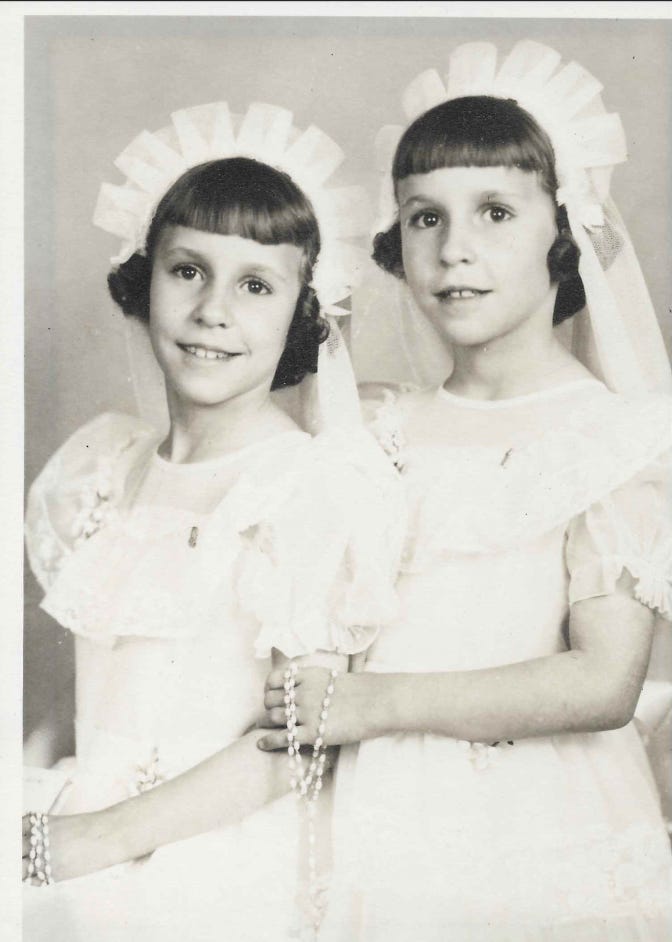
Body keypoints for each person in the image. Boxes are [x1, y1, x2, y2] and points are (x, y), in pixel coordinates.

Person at [259, 41, 672, 939]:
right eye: (423, 218)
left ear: (562, 237)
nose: (455, 251)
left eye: (494, 212)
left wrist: (375, 705)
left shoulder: (608, 434)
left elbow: (606, 680)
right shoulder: (377, 427)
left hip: (536, 821)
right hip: (372, 812)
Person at [22, 102, 401, 942]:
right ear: (143, 275)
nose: (213, 310)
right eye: (188, 270)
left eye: (256, 285)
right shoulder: (103, 467)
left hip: (220, 856)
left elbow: (302, 739)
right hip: (79, 816)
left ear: (305, 314)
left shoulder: (309, 486)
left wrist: (101, 839)